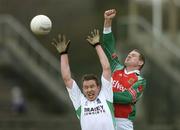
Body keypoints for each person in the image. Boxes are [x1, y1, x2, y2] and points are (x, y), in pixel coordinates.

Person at [51, 29, 116, 130]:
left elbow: (106, 69)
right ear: (82, 89)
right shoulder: (79, 101)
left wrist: (97, 45)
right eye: (86, 87)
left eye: (92, 86)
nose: (89, 90)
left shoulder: (106, 96)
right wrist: (63, 54)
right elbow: (67, 79)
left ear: (98, 87)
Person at [102, 9, 146, 130]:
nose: (129, 55)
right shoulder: (116, 67)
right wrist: (107, 21)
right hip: (106, 117)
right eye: (129, 54)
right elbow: (108, 47)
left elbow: (127, 97)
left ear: (140, 62)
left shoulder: (140, 80)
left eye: (133, 55)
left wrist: (103, 95)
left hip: (123, 122)